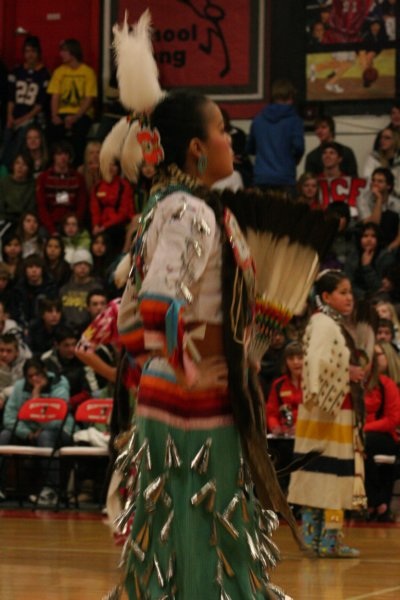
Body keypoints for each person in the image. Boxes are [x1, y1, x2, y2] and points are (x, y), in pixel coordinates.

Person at [100, 12, 340, 599]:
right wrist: (200, 362)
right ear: (195, 148)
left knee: (179, 537)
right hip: (194, 410)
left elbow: (128, 316)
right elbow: (154, 304)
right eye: (224, 131)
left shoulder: (166, 208)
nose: (232, 141)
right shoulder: (190, 211)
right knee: (207, 532)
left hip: (177, 403)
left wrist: (192, 359)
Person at [288, 270, 367, 557]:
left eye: (350, 292)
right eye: (342, 292)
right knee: (330, 473)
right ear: (326, 296)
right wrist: (347, 373)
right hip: (328, 411)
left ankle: (318, 539)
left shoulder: (325, 322)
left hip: (324, 411)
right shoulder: (324, 323)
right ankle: (325, 541)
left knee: (322, 473)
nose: (349, 298)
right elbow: (315, 363)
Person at [0, 357, 72, 506]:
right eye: (30, 376)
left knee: (45, 437)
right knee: (4, 436)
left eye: (37, 374)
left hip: (58, 431)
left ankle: (51, 491)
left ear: (45, 371)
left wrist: (36, 400)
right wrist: (27, 433)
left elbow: (57, 419)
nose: (34, 379)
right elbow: (9, 418)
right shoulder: (20, 387)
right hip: (29, 431)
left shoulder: (59, 384)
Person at [246, 78, 304, 196]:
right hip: (285, 178)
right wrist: (293, 160)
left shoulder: (258, 120)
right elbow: (299, 147)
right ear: (291, 96)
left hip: (261, 178)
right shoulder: (294, 121)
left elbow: (249, 148)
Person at [363, 345, 400, 521]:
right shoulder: (355, 385)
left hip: (386, 436)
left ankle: (374, 502)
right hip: (360, 436)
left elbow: (393, 420)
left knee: (364, 443)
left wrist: (364, 428)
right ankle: (378, 502)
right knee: (360, 448)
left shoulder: (387, 384)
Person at [0, 36, 49, 168]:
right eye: (27, 51)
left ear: (38, 53)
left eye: (33, 51)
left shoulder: (44, 74)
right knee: (6, 138)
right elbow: (11, 97)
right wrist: (10, 116)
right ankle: (4, 169)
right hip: (14, 116)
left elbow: (40, 105)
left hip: (31, 118)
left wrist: (22, 119)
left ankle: (10, 167)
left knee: (22, 137)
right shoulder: (16, 72)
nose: (30, 55)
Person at [47, 39, 97, 166]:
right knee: (52, 132)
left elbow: (89, 99)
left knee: (78, 135)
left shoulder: (88, 72)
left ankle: (77, 167)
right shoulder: (59, 72)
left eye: (64, 51)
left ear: (73, 52)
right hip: (62, 112)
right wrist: (54, 115)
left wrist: (75, 117)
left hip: (81, 114)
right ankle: (54, 166)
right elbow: (55, 95)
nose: (61, 54)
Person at [265, 341, 303, 494]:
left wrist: (300, 427)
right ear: (285, 361)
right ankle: (281, 494)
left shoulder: (312, 384)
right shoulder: (278, 384)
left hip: (306, 435)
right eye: (291, 358)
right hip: (284, 436)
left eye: (300, 358)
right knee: (277, 451)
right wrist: (275, 427)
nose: (296, 362)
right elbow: (271, 412)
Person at [35, 140, 87, 235]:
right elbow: (42, 206)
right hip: (51, 222)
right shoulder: (43, 178)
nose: (63, 157)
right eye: (59, 154)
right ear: (53, 156)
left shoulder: (78, 178)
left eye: (65, 154)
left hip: (72, 222)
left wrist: (74, 224)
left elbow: (81, 205)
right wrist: (52, 230)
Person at [89, 160, 134, 254]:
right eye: (107, 165)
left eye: (114, 165)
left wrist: (105, 226)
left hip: (118, 224)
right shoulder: (97, 186)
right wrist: (96, 225)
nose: (110, 168)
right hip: (100, 224)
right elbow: (95, 209)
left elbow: (124, 212)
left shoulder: (124, 185)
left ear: (118, 168)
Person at [344, 222, 396, 300]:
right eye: (365, 236)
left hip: (380, 298)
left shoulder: (386, 257)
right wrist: (364, 295)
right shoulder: (353, 256)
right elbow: (348, 282)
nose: (369, 240)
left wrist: (367, 267)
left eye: (373, 236)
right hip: (356, 297)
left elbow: (381, 287)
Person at [59, 248, 101, 334]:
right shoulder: (64, 289)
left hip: (90, 330)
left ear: (90, 267)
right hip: (67, 332)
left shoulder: (97, 289)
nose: (83, 267)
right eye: (79, 264)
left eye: (86, 264)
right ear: (72, 267)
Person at [357, 167, 400, 250]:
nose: (375, 184)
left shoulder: (397, 204)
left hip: (391, 243)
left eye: (380, 181)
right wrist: (379, 200)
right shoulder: (363, 199)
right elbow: (372, 226)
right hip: (368, 242)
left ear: (389, 186)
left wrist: (388, 251)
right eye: (373, 180)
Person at [0, 153, 36, 227]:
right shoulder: (4, 182)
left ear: (29, 168)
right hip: (6, 220)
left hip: (25, 222)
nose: (20, 167)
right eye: (17, 163)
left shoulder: (33, 184)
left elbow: (31, 208)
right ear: (13, 165)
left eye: (24, 164)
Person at [363, 128, 400, 197]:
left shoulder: (398, 162)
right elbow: (367, 179)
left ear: (395, 141)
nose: (382, 140)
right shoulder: (373, 157)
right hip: (374, 195)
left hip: (395, 198)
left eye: (387, 138)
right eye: (381, 137)